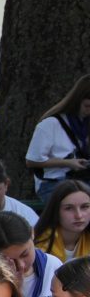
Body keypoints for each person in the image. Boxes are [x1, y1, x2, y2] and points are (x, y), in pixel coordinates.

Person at [26, 74, 90, 203]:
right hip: (52, 183)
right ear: (77, 100)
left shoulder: (86, 124)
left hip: (82, 181)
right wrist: (68, 163)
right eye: (87, 106)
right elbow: (31, 161)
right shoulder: (51, 124)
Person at [33, 179, 90, 260]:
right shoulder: (37, 246)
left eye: (85, 207)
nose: (78, 215)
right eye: (69, 208)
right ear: (55, 211)